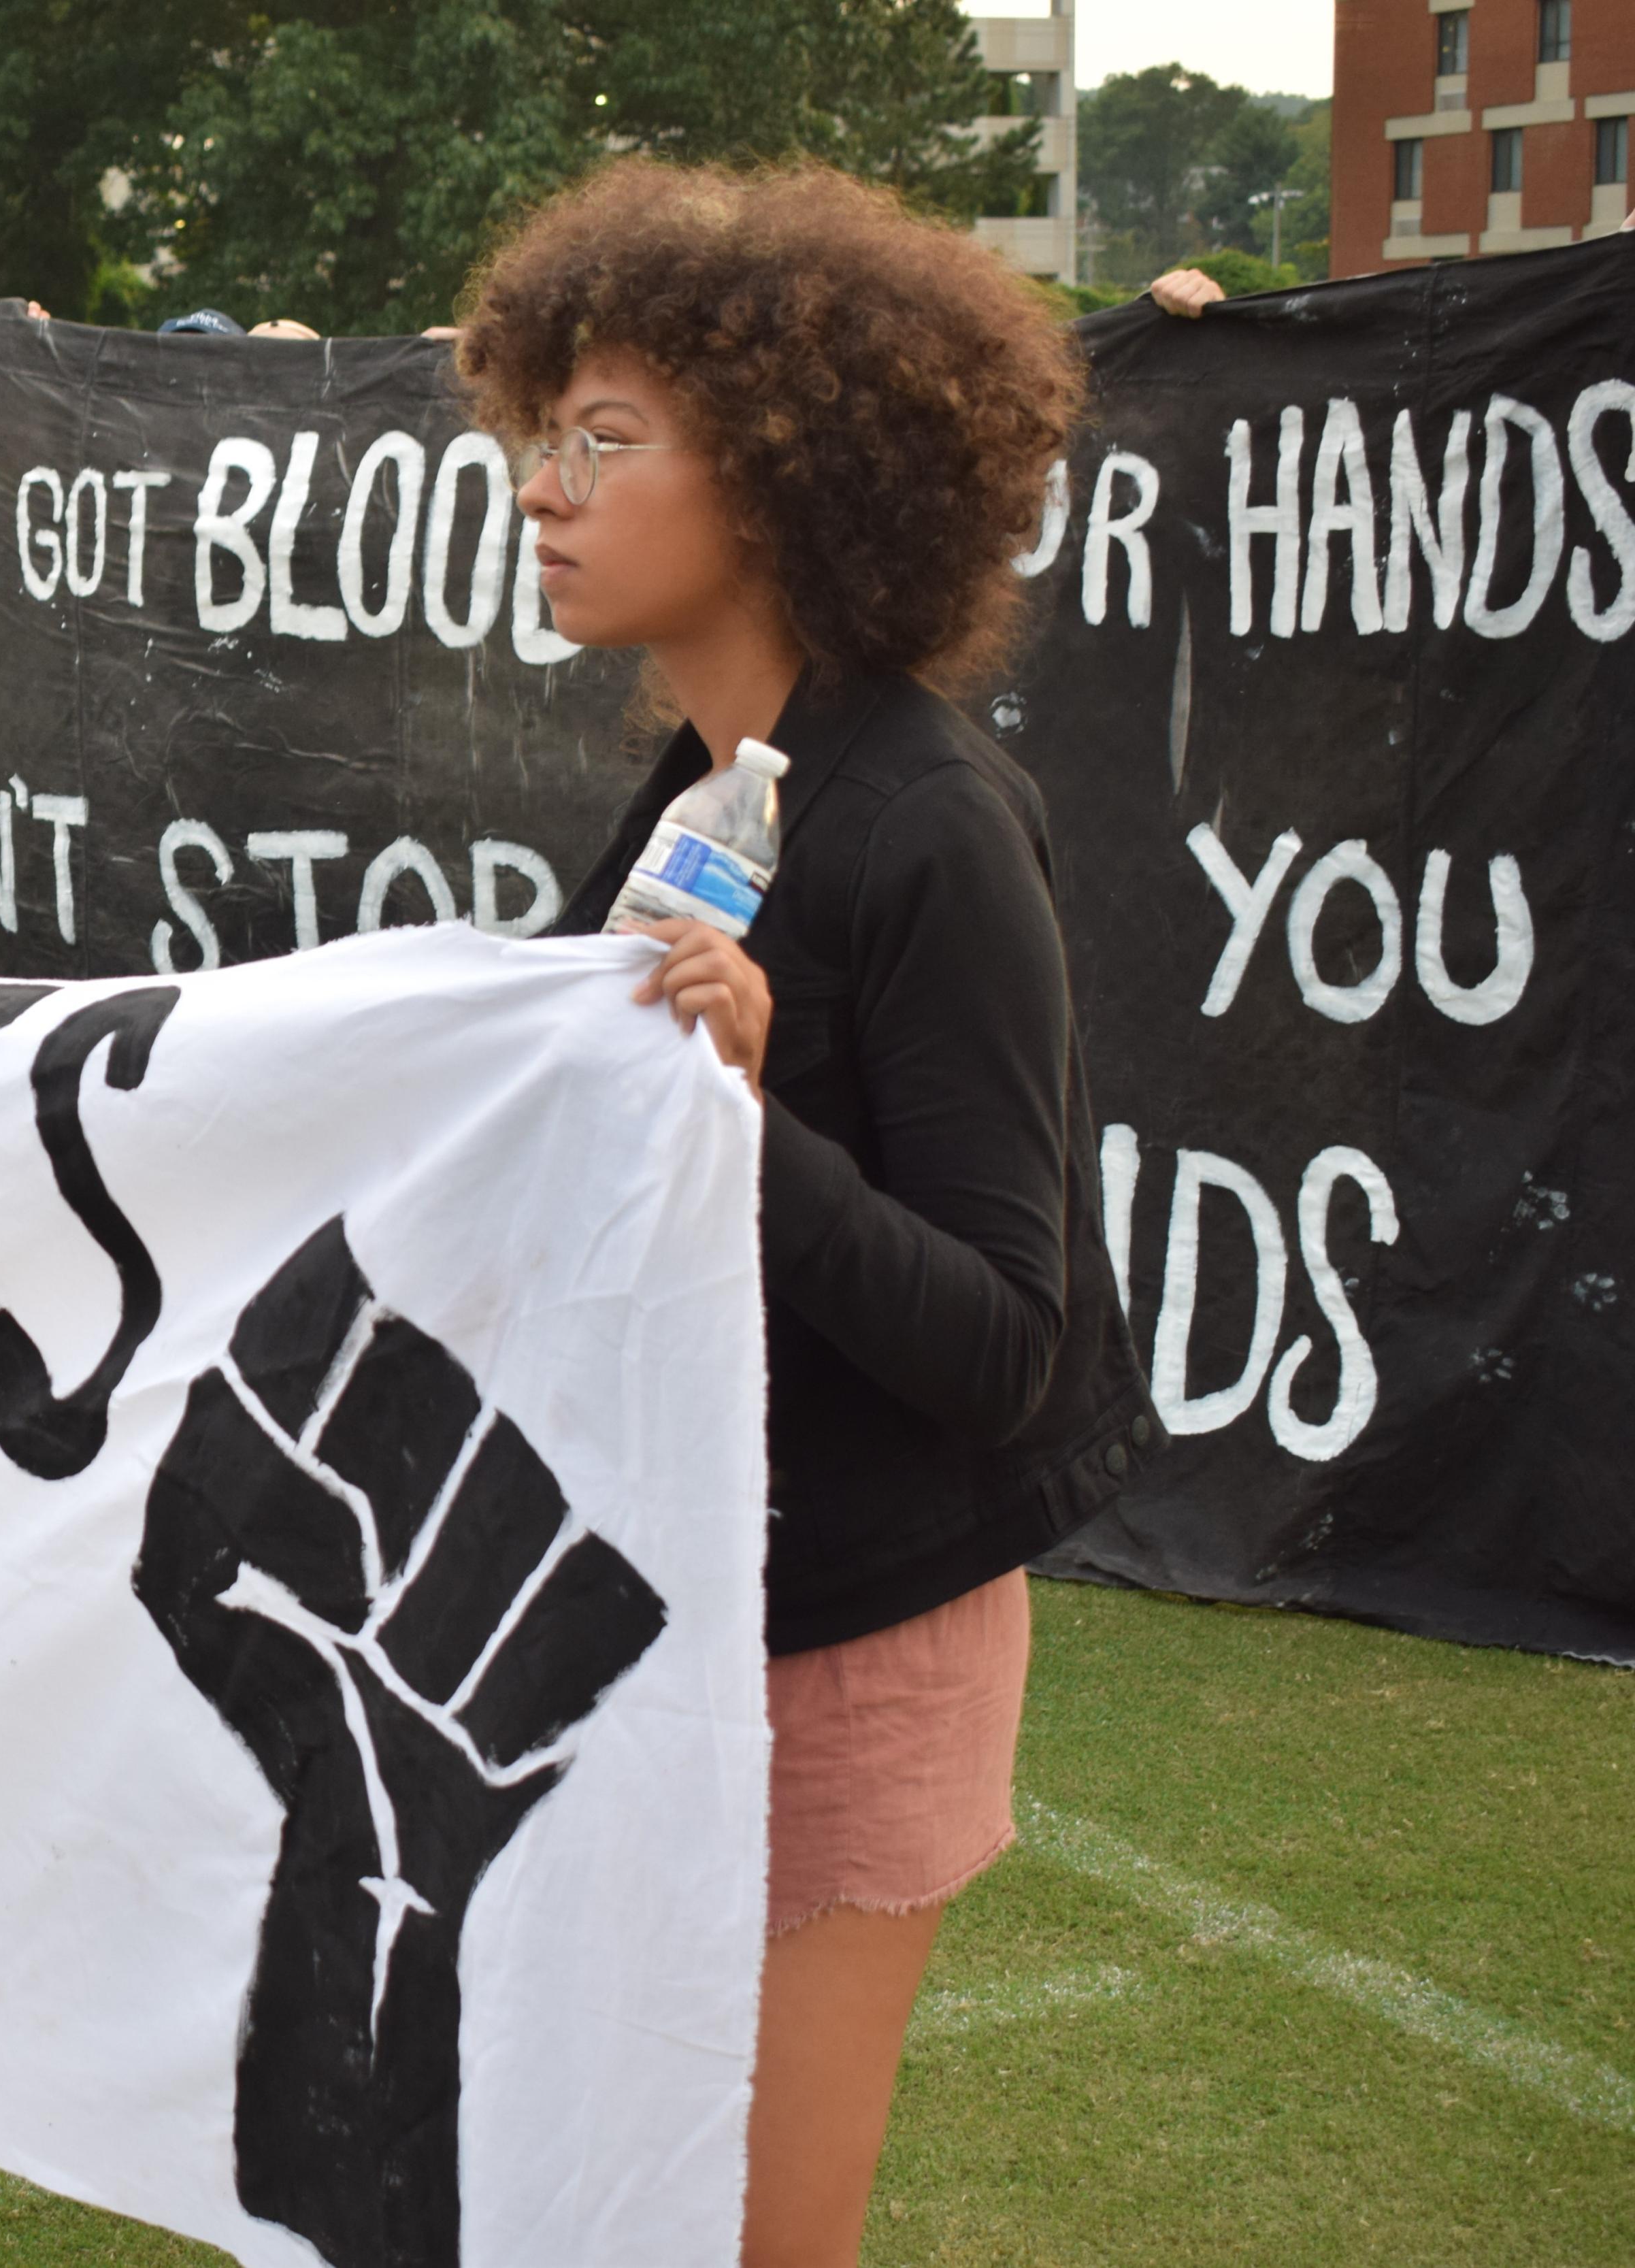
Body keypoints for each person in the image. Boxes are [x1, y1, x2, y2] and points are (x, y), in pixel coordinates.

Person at [458, 162, 1148, 2268]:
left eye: (602, 439)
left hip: (855, 1645)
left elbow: (996, 1338)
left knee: (759, 2234)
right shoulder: (695, 787)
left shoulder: (931, 823)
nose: (541, 492)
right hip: (680, 1608)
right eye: (535, 437)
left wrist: (736, 1116)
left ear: (772, 474)